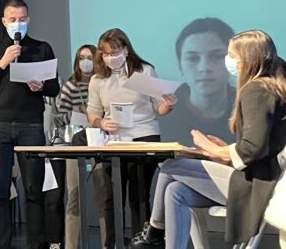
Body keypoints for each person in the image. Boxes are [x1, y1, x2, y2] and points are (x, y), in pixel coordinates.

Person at [131, 31, 286, 247]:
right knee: (176, 191)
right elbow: (264, 145)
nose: (227, 61)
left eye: (230, 55)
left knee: (171, 166)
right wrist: (224, 151)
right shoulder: (276, 89)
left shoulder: (256, 90)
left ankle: (154, 232)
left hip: (258, 186)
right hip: (268, 180)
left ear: (246, 58)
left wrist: (213, 149)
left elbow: (253, 149)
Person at [0, 0, 60, 249]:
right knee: (0, 190)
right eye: (12, 19)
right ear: (4, 21)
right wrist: (3, 63)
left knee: (34, 189)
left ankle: (36, 244)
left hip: (31, 125)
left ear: (28, 20)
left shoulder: (42, 48)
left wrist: (41, 86)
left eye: (22, 19)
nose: (17, 24)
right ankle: (1, 244)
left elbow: (54, 88)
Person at [87, 28, 177, 249]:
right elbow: (93, 113)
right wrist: (101, 123)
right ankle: (112, 244)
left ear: (126, 50)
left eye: (115, 52)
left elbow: (159, 107)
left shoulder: (144, 71)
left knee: (139, 196)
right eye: (105, 54)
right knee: (111, 197)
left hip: (144, 135)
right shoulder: (98, 79)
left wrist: (167, 105)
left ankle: (143, 243)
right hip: (113, 141)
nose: (110, 58)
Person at [161, 18, 236, 144]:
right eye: (193, 58)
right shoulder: (162, 116)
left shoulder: (252, 110)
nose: (204, 68)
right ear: (180, 66)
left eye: (217, 56)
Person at [55, 44, 96, 249]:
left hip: (101, 143)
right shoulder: (70, 86)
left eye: (89, 57)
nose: (85, 62)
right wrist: (75, 114)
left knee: (106, 197)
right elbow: (58, 118)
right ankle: (71, 245)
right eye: (81, 58)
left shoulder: (103, 83)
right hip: (76, 144)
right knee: (74, 196)